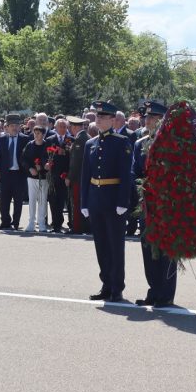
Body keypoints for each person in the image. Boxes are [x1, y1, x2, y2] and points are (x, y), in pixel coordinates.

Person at [82, 102, 134, 303]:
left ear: (113, 120)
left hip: (113, 201)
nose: (99, 119)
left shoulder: (122, 142)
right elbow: (86, 175)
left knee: (115, 245)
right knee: (101, 245)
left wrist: (123, 201)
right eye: (97, 116)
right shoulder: (90, 144)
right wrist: (84, 202)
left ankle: (117, 287)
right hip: (96, 200)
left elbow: (125, 175)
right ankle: (105, 284)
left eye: (103, 117)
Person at [133, 101, 177, 308]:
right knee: (148, 248)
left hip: (167, 205)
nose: (147, 120)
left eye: (151, 117)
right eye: (146, 117)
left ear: (161, 120)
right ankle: (154, 289)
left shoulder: (173, 144)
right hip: (147, 204)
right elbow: (135, 172)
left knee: (166, 249)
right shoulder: (139, 143)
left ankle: (166, 294)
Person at [0, 115, 31, 230]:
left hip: (19, 174)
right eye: (12, 126)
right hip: (5, 174)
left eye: (17, 126)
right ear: (7, 127)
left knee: (18, 200)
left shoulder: (25, 139)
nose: (14, 128)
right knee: (4, 200)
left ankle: (15, 223)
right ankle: (5, 221)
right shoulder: (2, 139)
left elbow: (28, 157)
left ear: (20, 127)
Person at [21, 126, 50, 232]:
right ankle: (31, 223)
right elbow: (23, 159)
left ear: (43, 134)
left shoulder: (47, 145)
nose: (36, 135)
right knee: (32, 200)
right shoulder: (30, 145)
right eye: (35, 133)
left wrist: (45, 166)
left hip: (43, 177)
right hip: (32, 177)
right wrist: (30, 168)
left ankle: (41, 223)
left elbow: (50, 158)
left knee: (42, 200)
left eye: (38, 133)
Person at [45, 118, 71, 233]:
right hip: (53, 175)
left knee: (63, 200)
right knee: (53, 200)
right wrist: (46, 164)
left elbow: (72, 158)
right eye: (60, 126)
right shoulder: (50, 140)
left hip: (65, 175)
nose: (62, 129)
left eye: (64, 127)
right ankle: (55, 224)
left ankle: (64, 223)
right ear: (55, 127)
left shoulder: (71, 140)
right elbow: (45, 155)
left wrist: (64, 152)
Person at [66, 116, 89, 234]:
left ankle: (77, 227)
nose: (70, 129)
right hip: (83, 177)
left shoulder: (80, 139)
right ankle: (83, 226)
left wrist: (69, 177)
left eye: (71, 126)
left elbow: (76, 162)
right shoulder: (85, 137)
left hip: (78, 178)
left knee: (76, 202)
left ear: (75, 127)